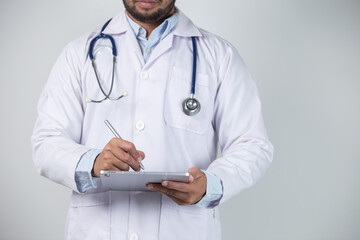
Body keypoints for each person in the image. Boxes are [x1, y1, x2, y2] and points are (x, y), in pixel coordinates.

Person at [31, 0, 274, 239]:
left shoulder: (220, 56)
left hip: (182, 230)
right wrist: (92, 162)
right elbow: (47, 141)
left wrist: (211, 185)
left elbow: (252, 144)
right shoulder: (80, 53)